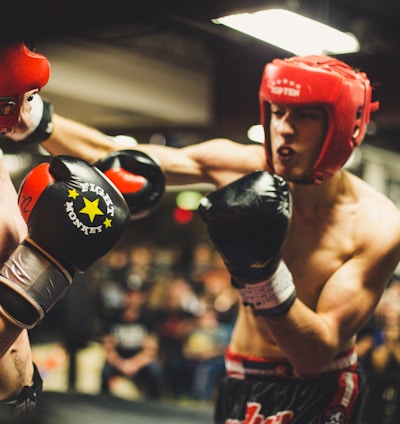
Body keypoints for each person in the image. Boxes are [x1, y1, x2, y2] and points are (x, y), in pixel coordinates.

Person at [7, 52, 400, 423]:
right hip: (240, 374)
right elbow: (121, 159)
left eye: (306, 116)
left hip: (317, 387)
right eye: (278, 112)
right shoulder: (246, 164)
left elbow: (315, 354)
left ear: (346, 126)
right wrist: (35, 117)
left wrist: (260, 273)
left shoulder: (376, 224)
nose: (285, 128)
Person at [0, 40, 165, 419]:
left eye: (31, 99)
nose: (26, 119)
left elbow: (99, 146)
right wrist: (46, 263)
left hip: (23, 399)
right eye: (12, 105)